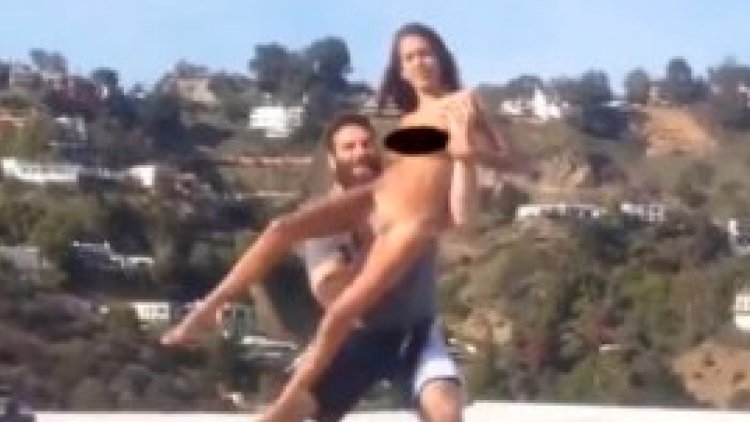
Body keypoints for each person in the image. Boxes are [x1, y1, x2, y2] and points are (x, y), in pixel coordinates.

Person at [161, 22, 509, 422]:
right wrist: (370, 240)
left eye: (425, 53)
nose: (419, 62)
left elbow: (493, 171)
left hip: (411, 279)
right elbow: (330, 290)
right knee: (280, 231)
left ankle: (283, 407)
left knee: (355, 327)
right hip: (371, 263)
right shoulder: (399, 131)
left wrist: (465, 159)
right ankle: (209, 310)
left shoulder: (457, 110)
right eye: (408, 57)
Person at [292, 112, 465, 421]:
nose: (361, 152)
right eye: (349, 147)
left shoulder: (413, 199)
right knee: (300, 407)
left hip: (417, 331)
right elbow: (328, 291)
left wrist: (464, 157)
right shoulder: (323, 217)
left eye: (366, 143)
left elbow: (461, 217)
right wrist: (377, 245)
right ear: (332, 161)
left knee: (445, 409)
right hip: (355, 336)